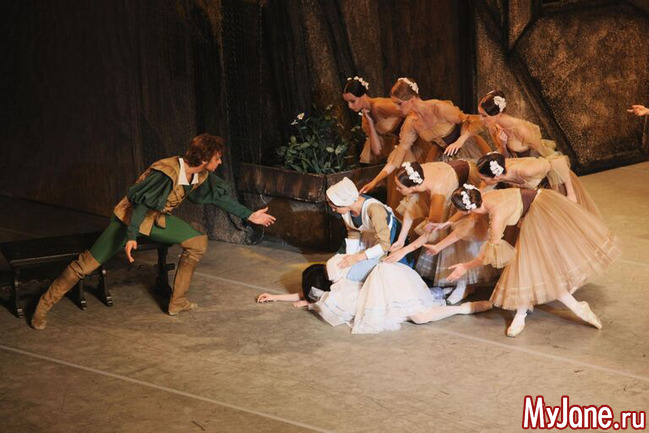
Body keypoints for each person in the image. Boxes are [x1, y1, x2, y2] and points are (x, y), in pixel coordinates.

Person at [31, 134, 276, 330]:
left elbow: (219, 198)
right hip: (129, 221)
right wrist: (130, 237)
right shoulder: (166, 172)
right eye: (217, 158)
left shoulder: (199, 174)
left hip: (157, 219)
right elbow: (139, 206)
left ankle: (177, 302)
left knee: (197, 242)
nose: (220, 162)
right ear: (204, 159)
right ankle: (43, 305)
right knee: (86, 265)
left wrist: (249, 215)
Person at [429, 184, 620, 337]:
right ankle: (528, 311)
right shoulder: (481, 196)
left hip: (542, 215)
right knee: (528, 266)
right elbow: (465, 223)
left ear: (470, 208)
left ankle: (573, 308)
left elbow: (491, 252)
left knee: (533, 267)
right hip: (535, 210)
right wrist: (441, 240)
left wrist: (466, 266)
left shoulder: (497, 216)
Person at [384, 161, 496, 304]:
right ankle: (456, 283)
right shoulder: (414, 174)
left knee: (459, 231)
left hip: (464, 184)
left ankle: (465, 285)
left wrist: (404, 250)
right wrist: (401, 240)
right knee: (444, 229)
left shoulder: (438, 194)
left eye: (400, 187)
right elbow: (411, 207)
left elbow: (432, 230)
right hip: (446, 177)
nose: (396, 189)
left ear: (414, 186)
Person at [360, 77, 492, 196]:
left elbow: (468, 121)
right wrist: (375, 181)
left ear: (412, 99)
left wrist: (460, 141)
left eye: (399, 103)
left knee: (480, 187)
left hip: (467, 148)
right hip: (444, 156)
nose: (397, 108)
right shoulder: (412, 122)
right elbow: (399, 153)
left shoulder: (438, 108)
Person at [343, 76, 410, 211]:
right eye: (348, 102)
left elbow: (410, 112)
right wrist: (371, 124)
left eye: (353, 101)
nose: (350, 106)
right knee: (398, 192)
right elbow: (377, 151)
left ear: (363, 96)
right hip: (396, 153)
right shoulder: (365, 119)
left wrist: (406, 134)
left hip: (410, 145)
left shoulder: (380, 106)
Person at [476, 152, 601, 218]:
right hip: (541, 193)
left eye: (483, 179)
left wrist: (570, 193)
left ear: (495, 177)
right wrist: (479, 192)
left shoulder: (527, 170)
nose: (482, 181)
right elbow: (486, 185)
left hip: (558, 183)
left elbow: (558, 163)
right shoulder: (501, 170)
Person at [478, 90, 556, 158]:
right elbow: (505, 158)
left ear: (498, 114)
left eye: (484, 116)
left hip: (534, 164)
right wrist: (503, 145)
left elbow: (543, 154)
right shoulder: (493, 127)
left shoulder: (521, 129)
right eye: (480, 114)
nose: (480, 119)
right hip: (512, 164)